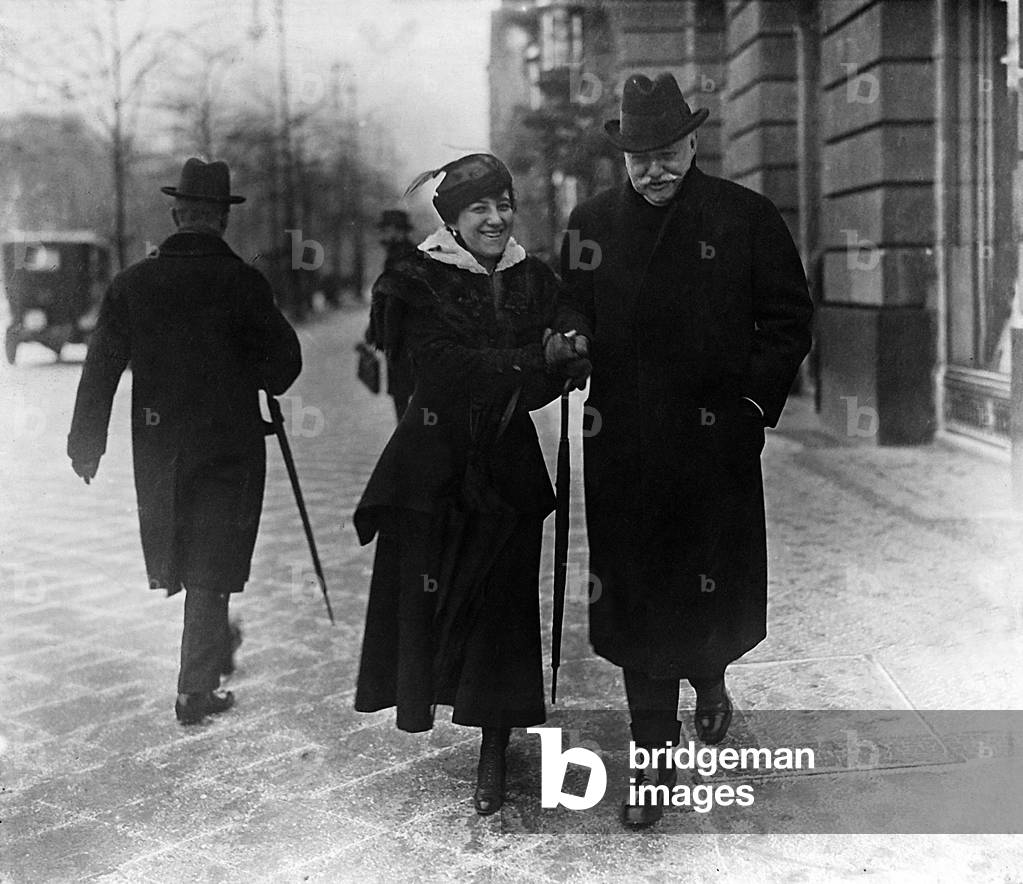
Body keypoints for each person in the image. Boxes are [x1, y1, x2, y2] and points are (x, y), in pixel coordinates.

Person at [553, 73, 813, 827]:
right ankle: (651, 757)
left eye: (667, 152)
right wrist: (569, 339)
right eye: (639, 157)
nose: (654, 169)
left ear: (693, 143)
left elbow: (787, 320)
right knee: (639, 603)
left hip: (713, 448)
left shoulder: (744, 216)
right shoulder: (591, 223)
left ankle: (710, 675)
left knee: (708, 590)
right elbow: (571, 305)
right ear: (622, 158)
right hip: (624, 449)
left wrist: (750, 408)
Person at [352, 153, 589, 815]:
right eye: (479, 208)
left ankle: (494, 746)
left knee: (502, 608)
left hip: (506, 465)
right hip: (432, 465)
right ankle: (429, 700)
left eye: (503, 205)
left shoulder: (531, 277)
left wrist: (571, 347)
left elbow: (559, 331)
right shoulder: (413, 281)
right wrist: (534, 359)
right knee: (434, 598)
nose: (495, 218)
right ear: (452, 220)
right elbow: (440, 369)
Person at [67, 158, 302, 725]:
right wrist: (250, 370)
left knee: (189, 550)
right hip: (229, 443)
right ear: (223, 219)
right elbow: (284, 365)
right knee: (212, 555)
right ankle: (195, 689)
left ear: (176, 215)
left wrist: (86, 443)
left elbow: (101, 367)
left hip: (159, 447)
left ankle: (214, 645)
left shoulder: (133, 283)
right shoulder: (244, 282)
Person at [365, 209, 418, 420]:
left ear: (398, 231)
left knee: (403, 392)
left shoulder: (404, 257)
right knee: (404, 392)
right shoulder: (399, 255)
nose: (383, 235)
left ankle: (408, 435)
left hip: (404, 337)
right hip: (400, 336)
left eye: (386, 230)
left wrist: (384, 334)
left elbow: (394, 300)